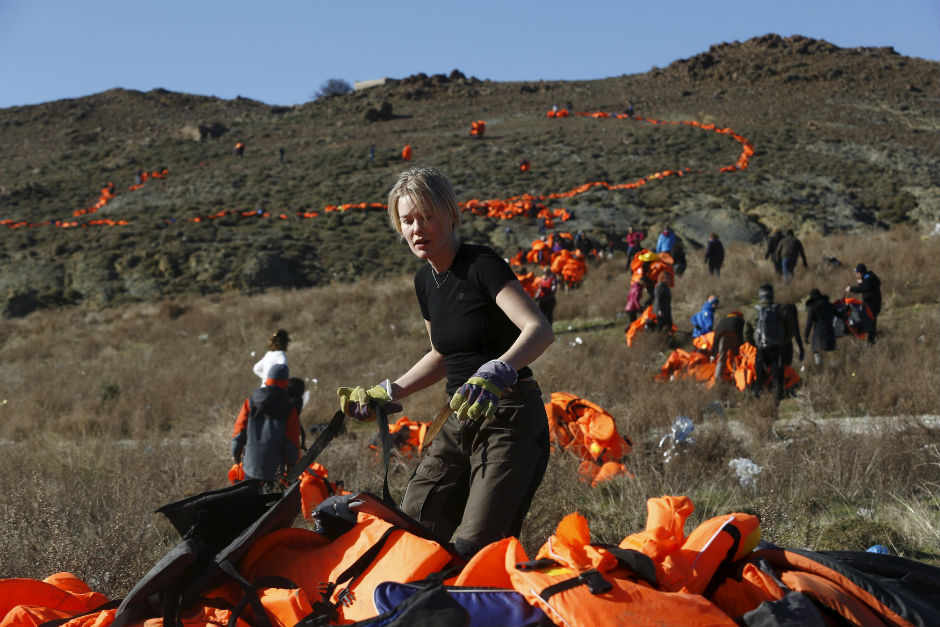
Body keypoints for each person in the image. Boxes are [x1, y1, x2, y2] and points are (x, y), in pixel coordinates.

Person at [338, 166, 554, 560]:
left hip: (509, 414)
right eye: (408, 220)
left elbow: (538, 328)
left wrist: (498, 369)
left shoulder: (481, 265)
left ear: (451, 214)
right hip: (458, 416)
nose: (418, 229)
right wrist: (388, 391)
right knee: (413, 530)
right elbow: (441, 352)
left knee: (475, 547)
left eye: (428, 216)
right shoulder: (425, 282)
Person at [231, 364, 301, 487]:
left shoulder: (251, 401)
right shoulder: (289, 407)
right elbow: (292, 441)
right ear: (285, 382)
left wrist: (236, 453)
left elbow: (239, 430)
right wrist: (292, 465)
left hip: (250, 466)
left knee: (250, 502)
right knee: (270, 504)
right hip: (274, 470)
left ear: (268, 379)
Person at [744, 284, 786, 400]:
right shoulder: (780, 309)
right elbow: (789, 329)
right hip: (776, 347)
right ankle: (778, 397)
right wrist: (782, 341)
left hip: (761, 348)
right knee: (777, 375)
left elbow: (746, 334)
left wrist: (755, 344)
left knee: (760, 375)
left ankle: (758, 396)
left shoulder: (753, 311)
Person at [845, 263, 881, 343]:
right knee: (870, 322)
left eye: (857, 273)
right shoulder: (868, 278)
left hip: (872, 305)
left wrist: (851, 288)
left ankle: (871, 342)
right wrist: (861, 282)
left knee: (870, 323)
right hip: (872, 305)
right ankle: (870, 340)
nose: (856, 275)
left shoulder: (868, 279)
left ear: (860, 273)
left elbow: (862, 289)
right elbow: (865, 287)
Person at [804, 288, 836, 366]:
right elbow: (840, 314)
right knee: (830, 353)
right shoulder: (829, 305)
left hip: (818, 333)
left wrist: (806, 336)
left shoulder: (813, 307)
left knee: (816, 351)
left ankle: (819, 367)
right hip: (830, 332)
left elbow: (809, 323)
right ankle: (831, 368)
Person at [711, 311, 744, 384]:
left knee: (722, 359)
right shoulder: (739, 320)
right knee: (736, 357)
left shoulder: (723, 320)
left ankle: (717, 378)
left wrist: (713, 353)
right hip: (734, 336)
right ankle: (736, 378)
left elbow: (716, 335)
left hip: (722, 337)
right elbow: (743, 333)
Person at [780, 303, 805, 372]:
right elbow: (796, 333)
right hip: (787, 345)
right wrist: (801, 348)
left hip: (775, 345)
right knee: (787, 368)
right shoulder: (791, 315)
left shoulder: (777, 313)